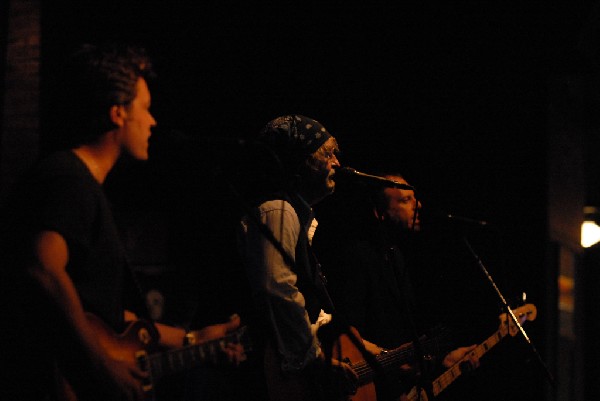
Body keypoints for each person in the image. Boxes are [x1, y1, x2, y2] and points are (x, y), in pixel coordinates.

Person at [0, 43, 243, 401]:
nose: (153, 121)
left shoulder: (81, 186)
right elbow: (42, 267)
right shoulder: (67, 176)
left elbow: (103, 314)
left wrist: (194, 340)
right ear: (118, 113)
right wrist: (99, 367)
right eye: (144, 108)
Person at [313, 171, 481, 401]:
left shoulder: (397, 257)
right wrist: (395, 363)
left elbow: (402, 340)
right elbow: (348, 338)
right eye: (405, 200)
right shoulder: (358, 257)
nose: (418, 205)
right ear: (379, 212)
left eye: (414, 198)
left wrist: (443, 359)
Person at [236, 115, 362, 401]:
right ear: (301, 159)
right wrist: (314, 361)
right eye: (328, 153)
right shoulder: (279, 210)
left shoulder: (292, 214)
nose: (338, 163)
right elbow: (277, 289)